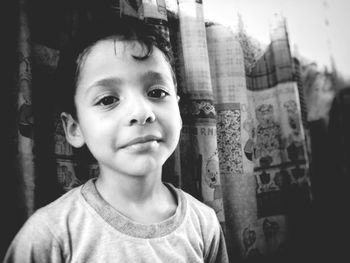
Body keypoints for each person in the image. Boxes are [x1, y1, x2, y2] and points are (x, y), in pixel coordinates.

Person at [4, 15, 228, 263]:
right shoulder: (48, 237)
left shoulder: (204, 224)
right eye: (108, 99)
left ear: (177, 109)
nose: (142, 113)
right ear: (75, 128)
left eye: (157, 92)